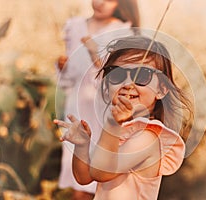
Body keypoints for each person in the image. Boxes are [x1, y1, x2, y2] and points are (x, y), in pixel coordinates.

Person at [54, 35, 193, 199]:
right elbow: (85, 177)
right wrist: (82, 146)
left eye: (141, 75)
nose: (128, 83)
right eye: (117, 75)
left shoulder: (148, 137)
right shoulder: (118, 131)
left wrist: (112, 125)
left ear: (161, 89)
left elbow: (101, 172)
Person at [55, 0, 140, 199]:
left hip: (103, 110)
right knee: (78, 174)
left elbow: (117, 77)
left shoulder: (123, 31)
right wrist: (63, 69)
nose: (100, 2)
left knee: (99, 177)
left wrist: (95, 56)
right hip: (77, 106)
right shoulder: (74, 26)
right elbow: (69, 80)